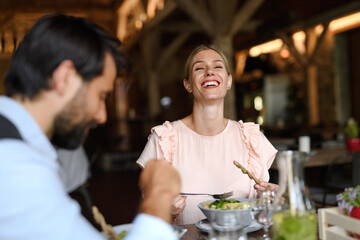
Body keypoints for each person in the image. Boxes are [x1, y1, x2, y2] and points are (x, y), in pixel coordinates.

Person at [0, 13, 181, 240]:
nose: (102, 116)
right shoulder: (14, 167)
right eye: (101, 95)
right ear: (65, 78)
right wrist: (158, 196)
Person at [136, 44, 278, 225]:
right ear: (187, 84)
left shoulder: (253, 139)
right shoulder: (163, 140)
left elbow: (264, 215)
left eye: (218, 66)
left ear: (228, 81)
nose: (210, 72)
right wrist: (167, 212)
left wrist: (275, 200)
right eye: (199, 68)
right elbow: (147, 222)